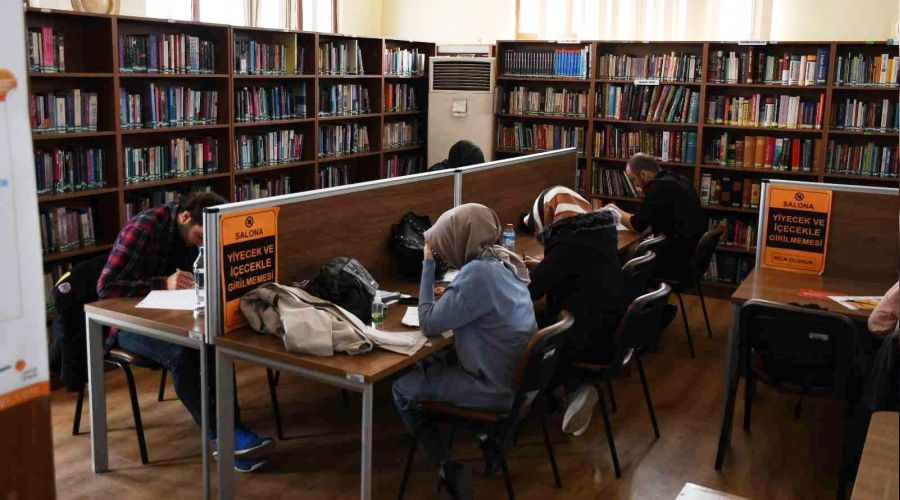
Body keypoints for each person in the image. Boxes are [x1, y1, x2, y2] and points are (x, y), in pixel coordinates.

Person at [97, 192, 275, 473]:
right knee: (183, 355)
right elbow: (106, 287)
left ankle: (233, 429)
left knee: (215, 344)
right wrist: (162, 283)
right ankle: (227, 439)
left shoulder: (196, 232)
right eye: (200, 237)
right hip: (127, 324)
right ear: (184, 217)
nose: (202, 244)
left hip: (171, 315)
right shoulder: (143, 228)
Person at [392, 203, 537, 500]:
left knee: (402, 387)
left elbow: (428, 323)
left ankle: (445, 467)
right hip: (521, 385)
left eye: (445, 245)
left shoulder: (477, 275)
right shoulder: (504, 262)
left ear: (460, 240)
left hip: (494, 389)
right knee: (436, 360)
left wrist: (428, 264)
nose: (443, 253)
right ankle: (486, 439)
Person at [521, 186, 625, 437]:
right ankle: (575, 390)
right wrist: (546, 264)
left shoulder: (566, 242)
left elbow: (534, 290)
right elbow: (575, 267)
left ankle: (564, 393)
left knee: (529, 331)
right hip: (612, 328)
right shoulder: (601, 232)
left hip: (582, 335)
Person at [606, 153, 706, 283]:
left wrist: (613, 209)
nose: (636, 187)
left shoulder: (657, 187)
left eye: (634, 180)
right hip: (690, 256)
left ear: (643, 175)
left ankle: (628, 294)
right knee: (633, 251)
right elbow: (649, 220)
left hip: (675, 263)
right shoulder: (678, 179)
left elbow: (637, 226)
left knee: (623, 261)